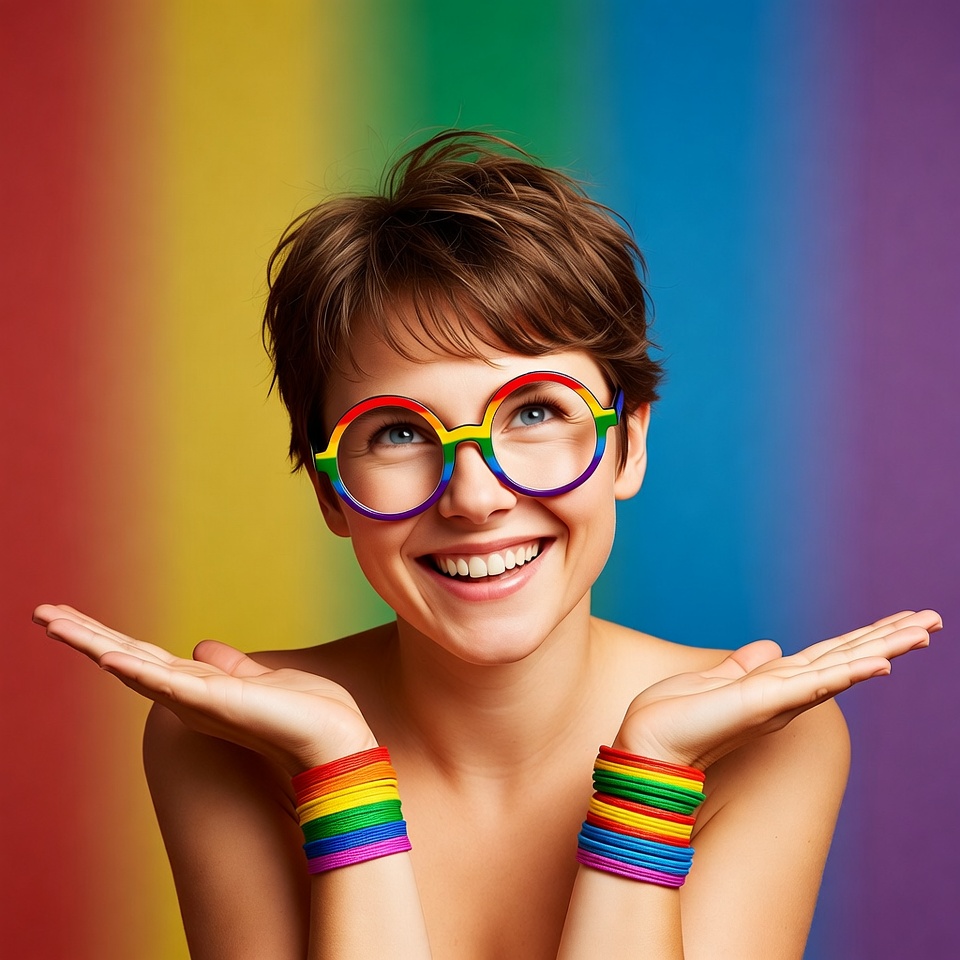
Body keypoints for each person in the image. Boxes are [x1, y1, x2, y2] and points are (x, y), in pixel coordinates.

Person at [34, 131, 941, 960]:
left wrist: (653, 778)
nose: (476, 496)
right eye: (396, 433)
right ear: (328, 492)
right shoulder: (229, 739)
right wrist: (341, 780)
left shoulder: (766, 739)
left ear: (629, 445)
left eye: (536, 413)